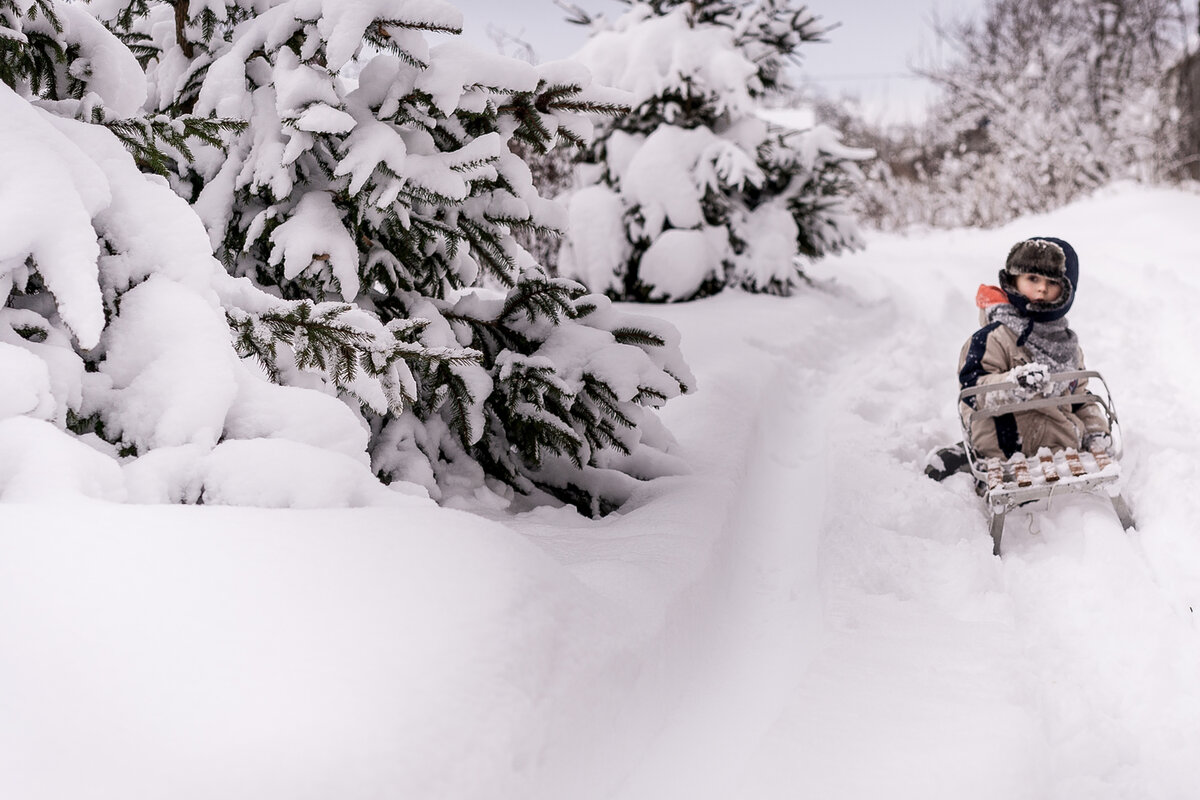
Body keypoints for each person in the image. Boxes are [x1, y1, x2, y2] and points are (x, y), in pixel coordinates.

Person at [925, 236, 1111, 481]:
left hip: (1061, 445)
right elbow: (973, 392)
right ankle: (967, 454)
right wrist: (1014, 384)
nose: (1042, 289)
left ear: (1065, 291)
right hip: (1003, 448)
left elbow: (1080, 399)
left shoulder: (1068, 346)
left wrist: (1096, 431)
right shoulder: (994, 337)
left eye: (1052, 282)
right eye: (1032, 279)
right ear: (1014, 281)